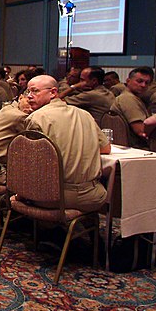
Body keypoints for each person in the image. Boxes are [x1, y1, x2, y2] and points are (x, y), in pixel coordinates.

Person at [24, 75, 109, 212]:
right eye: (27, 92)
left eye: (35, 91)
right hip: (93, 196)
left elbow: (32, 163)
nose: (29, 96)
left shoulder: (37, 118)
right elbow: (105, 148)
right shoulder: (85, 115)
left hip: (53, 197)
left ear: (53, 92)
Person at [0, 94, 32, 183]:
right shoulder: (20, 116)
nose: (30, 107)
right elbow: (34, 139)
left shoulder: (7, 108)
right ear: (20, 97)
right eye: (28, 102)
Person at [109, 66, 154, 148]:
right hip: (138, 148)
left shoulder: (134, 98)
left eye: (147, 83)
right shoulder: (128, 99)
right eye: (139, 81)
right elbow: (141, 131)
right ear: (128, 81)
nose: (143, 85)